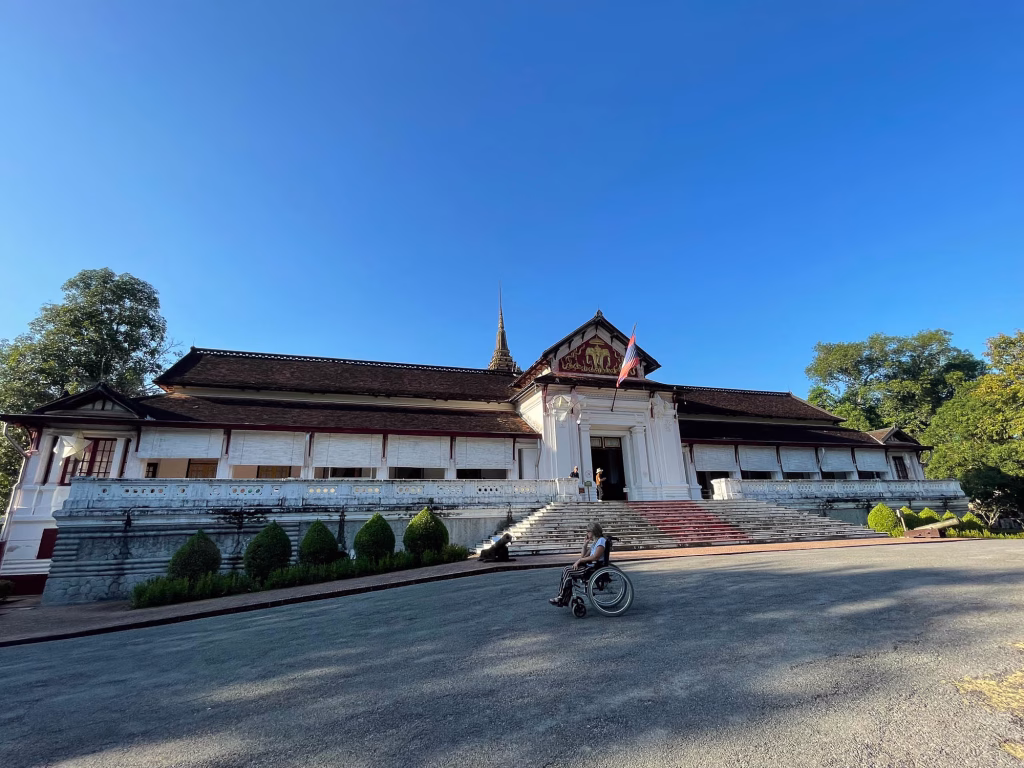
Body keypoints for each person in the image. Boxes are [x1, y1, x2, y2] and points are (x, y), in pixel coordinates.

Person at [549, 523, 606, 607]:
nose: (587, 534)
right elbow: (583, 556)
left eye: (588, 531)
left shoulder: (601, 540)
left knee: (567, 570)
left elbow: (596, 556)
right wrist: (585, 545)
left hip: (593, 568)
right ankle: (563, 598)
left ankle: (562, 597)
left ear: (593, 531)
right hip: (589, 566)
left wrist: (580, 560)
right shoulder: (595, 543)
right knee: (567, 570)